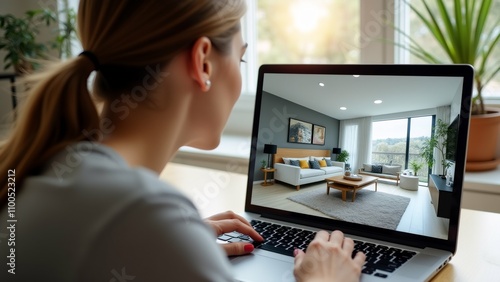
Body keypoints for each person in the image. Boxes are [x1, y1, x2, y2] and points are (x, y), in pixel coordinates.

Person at [0, 1, 365, 281]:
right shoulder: (141, 212)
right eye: (240, 57)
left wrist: (178, 245)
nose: (239, 74)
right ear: (203, 62)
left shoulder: (44, 164)